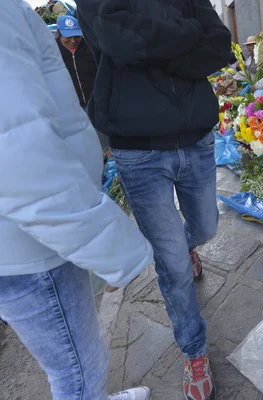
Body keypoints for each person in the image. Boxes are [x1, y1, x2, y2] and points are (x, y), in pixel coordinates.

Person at [76, 1, 231, 399]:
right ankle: (194, 351)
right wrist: (186, 34)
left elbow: (218, 45)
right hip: (139, 149)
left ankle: (188, 245)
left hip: (196, 139)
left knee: (206, 226)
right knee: (172, 262)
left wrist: (150, 50)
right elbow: (114, 38)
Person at [0, 1, 154, 399]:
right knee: (77, 369)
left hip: (24, 240)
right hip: (30, 249)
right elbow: (19, 155)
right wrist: (116, 250)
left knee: (79, 356)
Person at [55, 14, 110, 150]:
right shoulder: (54, 52)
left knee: (102, 133)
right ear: (59, 34)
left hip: (94, 100)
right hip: (71, 103)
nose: (73, 40)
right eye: (68, 37)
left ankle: (108, 157)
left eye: (77, 36)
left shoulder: (90, 47)